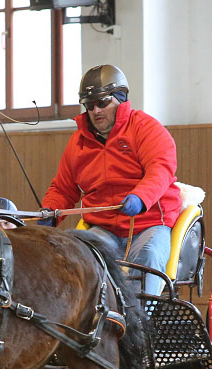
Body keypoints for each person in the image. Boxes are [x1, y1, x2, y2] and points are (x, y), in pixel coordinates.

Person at [40, 64, 183, 296]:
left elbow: (161, 170)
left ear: (121, 98)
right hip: (103, 229)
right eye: (89, 105)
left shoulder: (146, 128)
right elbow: (63, 188)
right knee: (71, 249)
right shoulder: (77, 143)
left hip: (149, 224)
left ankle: (141, 319)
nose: (95, 111)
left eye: (102, 103)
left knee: (149, 255)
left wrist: (140, 197)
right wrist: (50, 211)